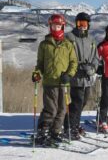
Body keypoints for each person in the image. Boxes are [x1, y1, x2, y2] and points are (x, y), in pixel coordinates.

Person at [32, 14, 78, 144]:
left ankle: (55, 132)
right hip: (50, 82)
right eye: (53, 25)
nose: (56, 28)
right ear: (50, 26)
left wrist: (69, 75)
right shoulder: (44, 44)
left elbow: (74, 62)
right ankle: (43, 131)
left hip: (64, 83)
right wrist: (37, 73)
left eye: (58, 26)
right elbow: (40, 63)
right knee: (51, 108)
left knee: (62, 109)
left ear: (62, 27)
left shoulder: (68, 44)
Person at [62, 12, 99, 140]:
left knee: (83, 102)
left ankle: (75, 125)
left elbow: (96, 57)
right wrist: (76, 67)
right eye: (79, 23)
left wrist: (93, 68)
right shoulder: (70, 37)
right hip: (75, 76)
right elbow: (66, 57)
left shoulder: (91, 39)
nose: (82, 26)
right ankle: (69, 127)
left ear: (88, 25)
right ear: (76, 24)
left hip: (87, 76)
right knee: (77, 103)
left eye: (84, 23)